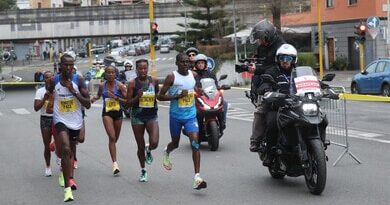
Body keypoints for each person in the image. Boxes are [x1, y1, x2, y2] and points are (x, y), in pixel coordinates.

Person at [157, 53, 207, 190]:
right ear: (177, 63)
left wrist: (199, 91)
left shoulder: (194, 75)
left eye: (187, 62)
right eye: (182, 62)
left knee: (195, 144)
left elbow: (194, 88)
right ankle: (168, 150)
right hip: (176, 116)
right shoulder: (171, 77)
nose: (185, 64)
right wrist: (177, 96)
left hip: (191, 116)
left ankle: (197, 177)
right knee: (175, 143)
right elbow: (159, 96)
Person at [53, 54, 91, 202]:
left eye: (71, 65)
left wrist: (73, 91)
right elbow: (49, 95)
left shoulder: (78, 80)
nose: (68, 68)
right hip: (60, 119)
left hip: (75, 120)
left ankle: (68, 176)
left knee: (72, 150)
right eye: (65, 65)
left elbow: (87, 104)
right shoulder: (53, 81)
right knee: (66, 148)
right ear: (60, 65)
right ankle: (68, 189)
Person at [247, 19, 286, 152]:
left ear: (267, 35)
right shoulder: (262, 47)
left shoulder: (281, 47)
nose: (259, 41)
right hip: (269, 84)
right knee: (260, 111)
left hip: (282, 83)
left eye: (260, 38)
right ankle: (255, 140)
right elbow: (260, 62)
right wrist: (254, 64)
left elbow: (275, 68)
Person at [126, 59, 159, 182]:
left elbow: (158, 96)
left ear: (148, 68)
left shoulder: (153, 81)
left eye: (145, 68)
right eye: (140, 68)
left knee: (154, 142)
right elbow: (128, 104)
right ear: (136, 70)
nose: (143, 71)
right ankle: (143, 170)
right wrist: (137, 97)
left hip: (151, 115)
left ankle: (149, 149)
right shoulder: (132, 84)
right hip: (137, 117)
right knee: (140, 145)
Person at [91, 65, 127, 176]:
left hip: (118, 113)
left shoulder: (120, 86)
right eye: (108, 72)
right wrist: (93, 99)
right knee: (111, 137)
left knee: (115, 139)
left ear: (115, 74)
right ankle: (115, 164)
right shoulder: (102, 86)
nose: (110, 74)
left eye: (112, 72)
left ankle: (112, 150)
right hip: (107, 113)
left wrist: (117, 98)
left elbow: (127, 101)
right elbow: (98, 95)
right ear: (105, 74)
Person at [193, 54, 227, 135]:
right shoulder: (194, 74)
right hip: (199, 97)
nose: (201, 65)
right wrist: (196, 90)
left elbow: (216, 85)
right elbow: (191, 85)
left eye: (202, 63)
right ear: (196, 64)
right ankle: (194, 127)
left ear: (205, 64)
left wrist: (220, 87)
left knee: (224, 104)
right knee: (192, 108)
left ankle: (222, 123)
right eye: (199, 63)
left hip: (210, 97)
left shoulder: (211, 74)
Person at [34, 71, 55, 177]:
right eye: (47, 77)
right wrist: (44, 99)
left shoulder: (58, 90)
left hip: (57, 119)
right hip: (45, 119)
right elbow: (36, 108)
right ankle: (48, 166)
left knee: (61, 143)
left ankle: (61, 161)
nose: (49, 79)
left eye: (51, 77)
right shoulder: (40, 91)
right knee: (46, 145)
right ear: (44, 79)